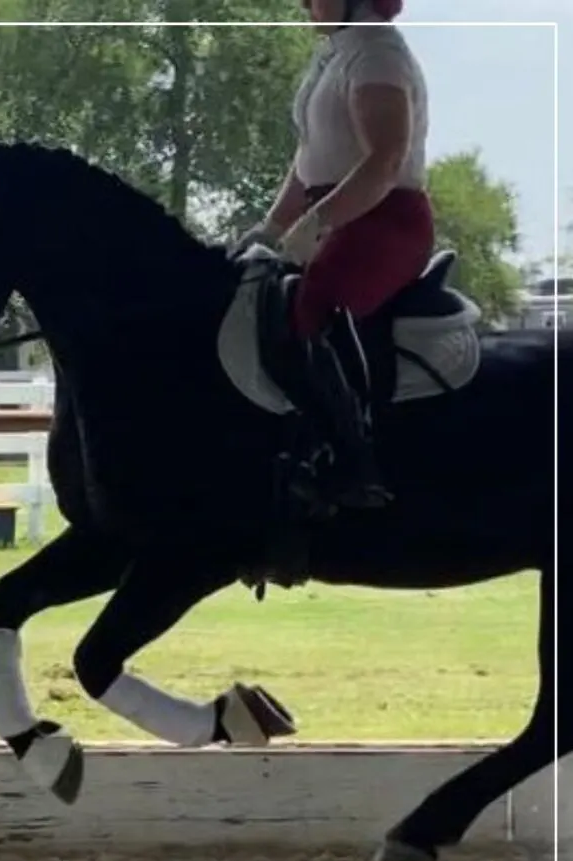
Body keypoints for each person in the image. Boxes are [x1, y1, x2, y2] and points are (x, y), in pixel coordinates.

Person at [234, 0, 434, 508]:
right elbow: (309, 160)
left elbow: (385, 159)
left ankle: (354, 464)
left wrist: (317, 223)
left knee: (312, 301)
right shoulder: (335, 54)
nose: (304, 2)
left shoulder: (377, 52)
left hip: (386, 217)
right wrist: (271, 227)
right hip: (333, 215)